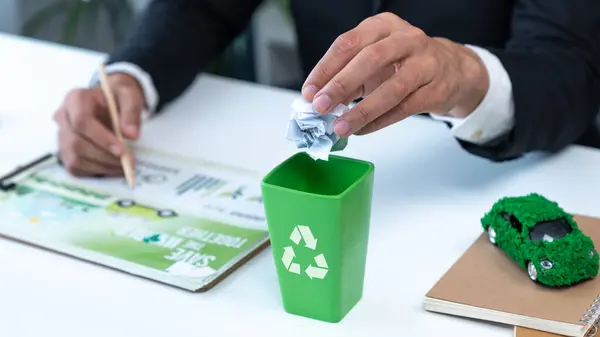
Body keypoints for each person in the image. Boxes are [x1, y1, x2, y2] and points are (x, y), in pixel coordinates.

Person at [53, 0, 600, 177]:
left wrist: (463, 75)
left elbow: (570, 68)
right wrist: (129, 77)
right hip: (328, 147)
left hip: (507, 170)